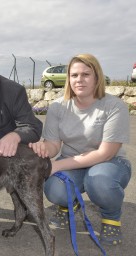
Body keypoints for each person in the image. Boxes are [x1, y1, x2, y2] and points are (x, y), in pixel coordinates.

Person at [29, 53, 131, 245]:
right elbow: (53, 145)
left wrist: (57, 166)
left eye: (86, 74)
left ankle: (111, 217)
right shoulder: (58, 106)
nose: (79, 79)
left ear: (97, 77)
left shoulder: (114, 106)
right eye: (74, 75)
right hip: (73, 162)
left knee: (99, 181)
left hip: (109, 164)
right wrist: (42, 149)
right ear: (68, 78)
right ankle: (70, 204)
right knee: (53, 189)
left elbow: (105, 152)